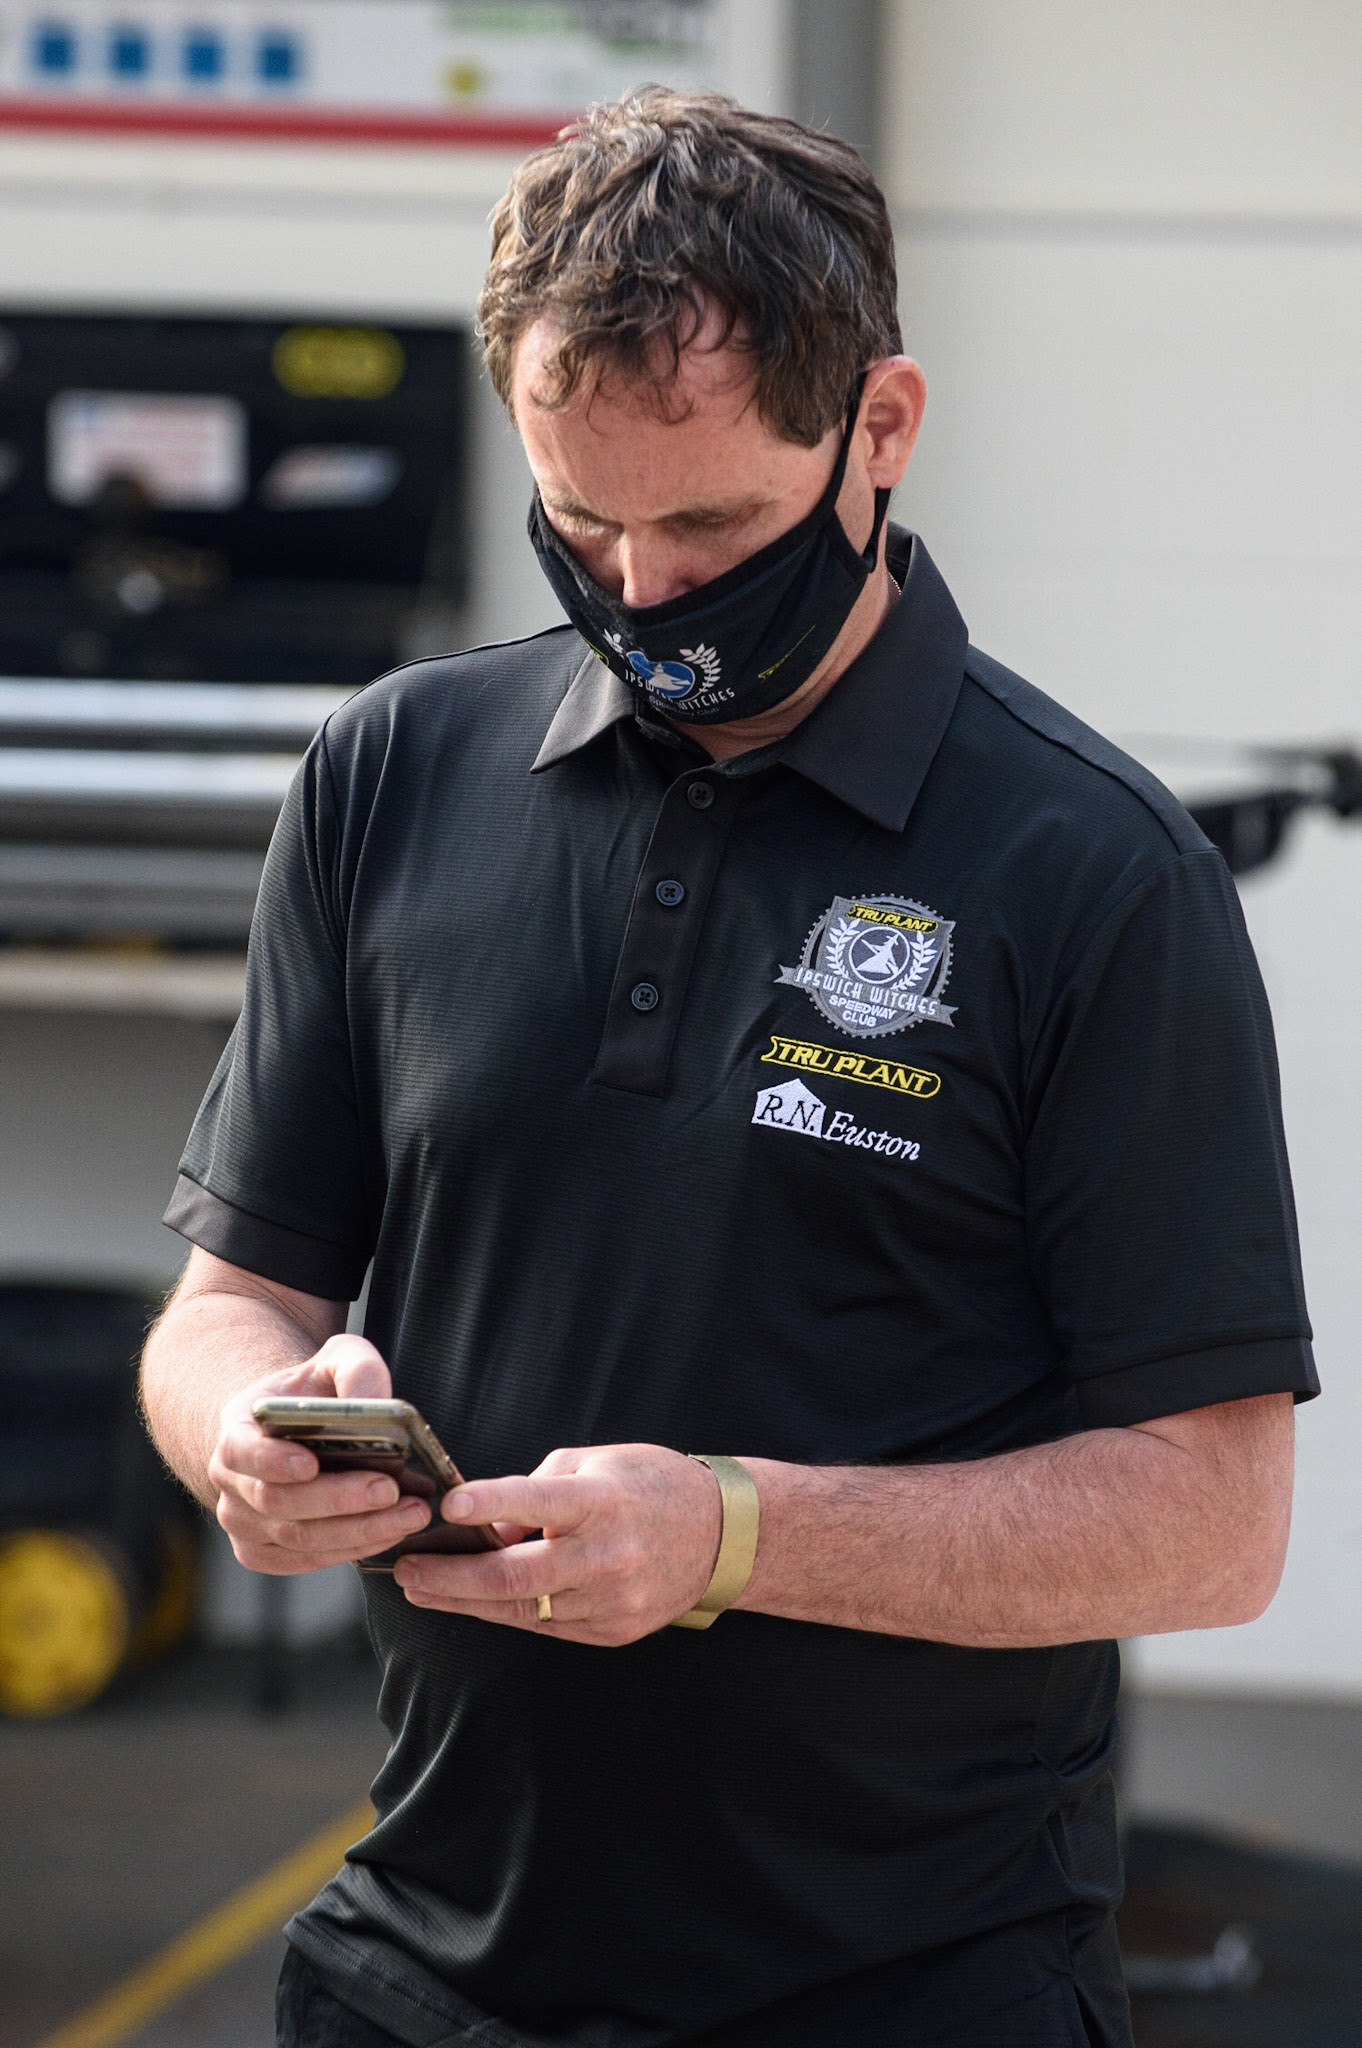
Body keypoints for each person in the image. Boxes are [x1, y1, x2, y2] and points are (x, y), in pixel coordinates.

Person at [141, 87, 1317, 2048]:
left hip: (903, 1998)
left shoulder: (1096, 873)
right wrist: (246, 1437)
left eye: (709, 522)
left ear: (881, 428)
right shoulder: (391, 776)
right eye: (579, 515)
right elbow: (228, 1302)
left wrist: (738, 1531)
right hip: (418, 1975)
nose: (645, 590)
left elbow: (1213, 1520)